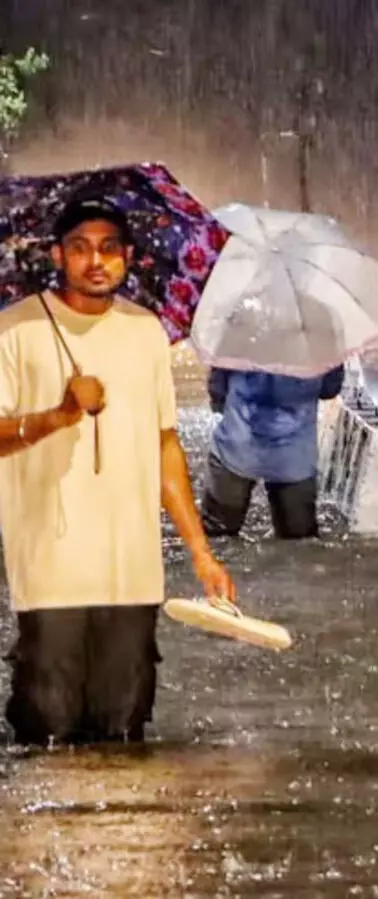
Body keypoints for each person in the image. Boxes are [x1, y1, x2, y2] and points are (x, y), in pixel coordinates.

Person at [0, 197, 235, 746]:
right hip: (50, 570)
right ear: (58, 255)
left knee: (123, 734)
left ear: (128, 257)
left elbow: (164, 444)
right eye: (80, 248)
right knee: (47, 732)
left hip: (132, 570)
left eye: (108, 248)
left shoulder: (146, 332)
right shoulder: (16, 330)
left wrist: (201, 552)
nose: (95, 261)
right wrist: (56, 416)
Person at [201, 365, 345, 540]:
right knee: (299, 545)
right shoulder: (319, 342)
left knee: (217, 538)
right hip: (294, 456)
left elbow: (217, 390)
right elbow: (330, 389)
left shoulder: (238, 338)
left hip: (237, 445)